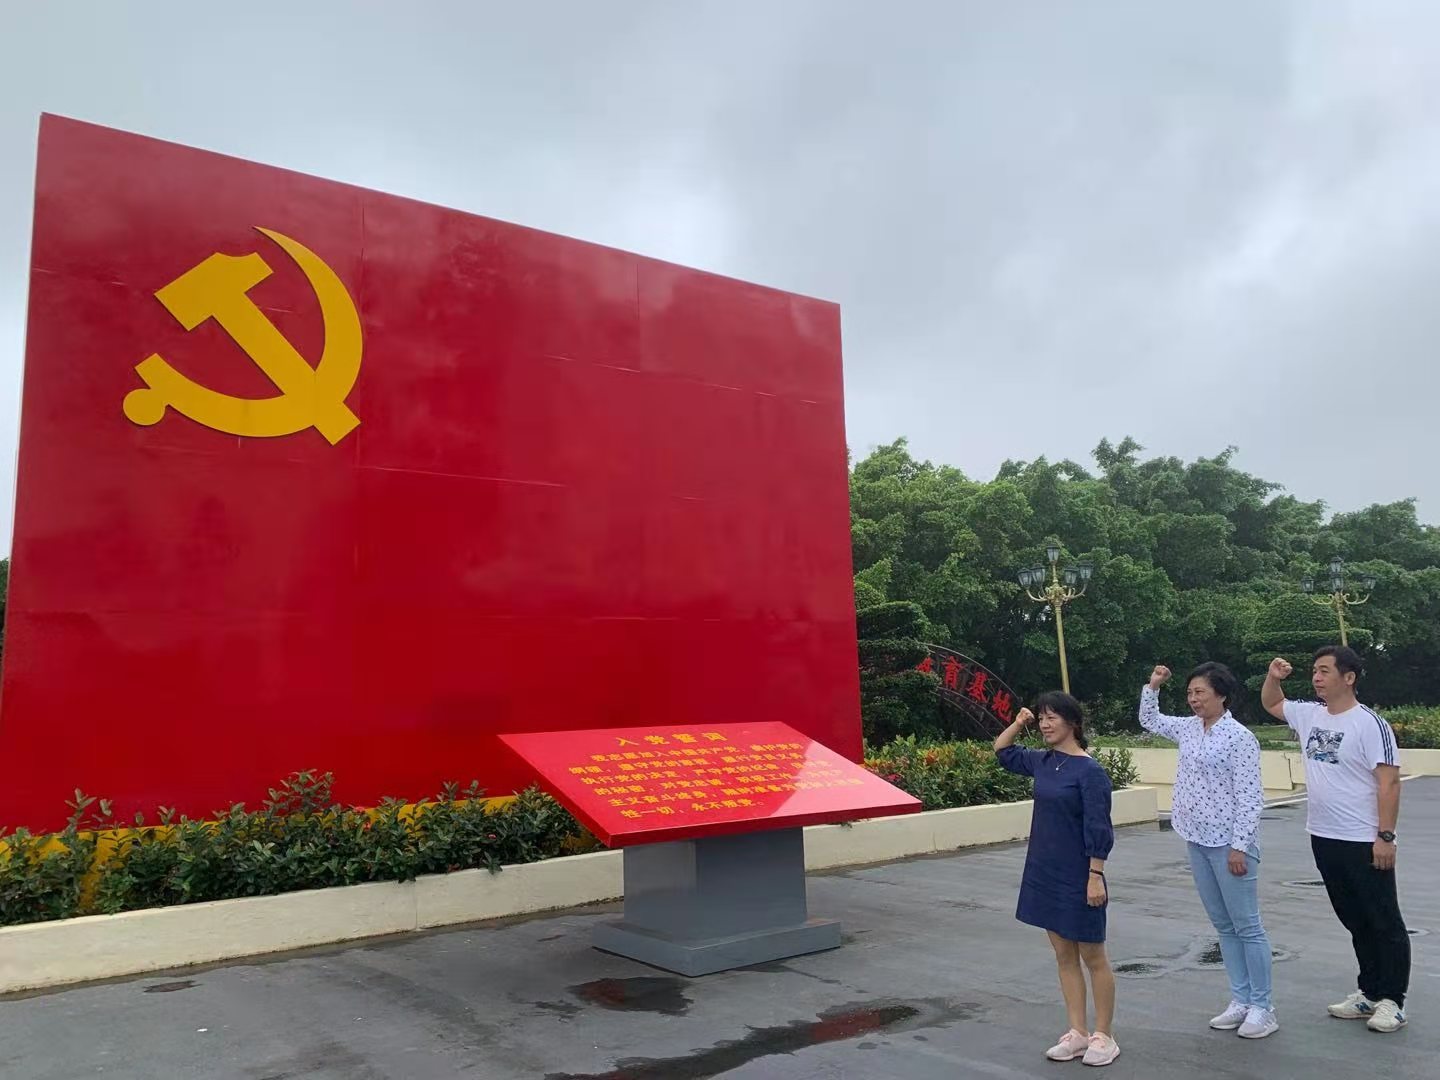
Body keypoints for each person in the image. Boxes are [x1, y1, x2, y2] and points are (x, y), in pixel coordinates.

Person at [1261, 646, 1409, 1033]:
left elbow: (1389, 782)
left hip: (1364, 838)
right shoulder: (1311, 714)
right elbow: (1273, 703)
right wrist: (1274, 676)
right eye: (1314, 670)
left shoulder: (1369, 724)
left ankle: (1393, 1000)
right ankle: (1369, 992)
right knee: (1353, 917)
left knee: (1382, 919)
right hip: (1324, 836)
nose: (1316, 677)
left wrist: (1386, 836)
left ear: (1349, 677)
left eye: (1325, 670)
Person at [1140, 662, 1277, 1038]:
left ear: (1222, 695)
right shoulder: (1188, 728)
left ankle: (1263, 1007)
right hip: (1196, 839)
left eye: (1200, 692)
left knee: (1248, 926)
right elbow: (1150, 720)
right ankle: (1241, 1000)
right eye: (1190, 693)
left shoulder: (1239, 737)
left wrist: (1239, 846)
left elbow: (1250, 797)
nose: (1193, 699)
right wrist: (1154, 686)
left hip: (1230, 845)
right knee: (1224, 926)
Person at [994, 692, 1119, 1066]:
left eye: (1052, 718)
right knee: (1063, 954)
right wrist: (1018, 722)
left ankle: (1104, 1036)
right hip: (1044, 870)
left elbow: (1099, 827)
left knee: (1093, 955)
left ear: (1072, 723)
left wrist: (1095, 875)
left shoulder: (1090, 772)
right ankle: (1077, 1032)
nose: (1045, 725)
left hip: (1079, 873)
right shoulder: (1043, 762)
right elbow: (1002, 751)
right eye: (1042, 718)